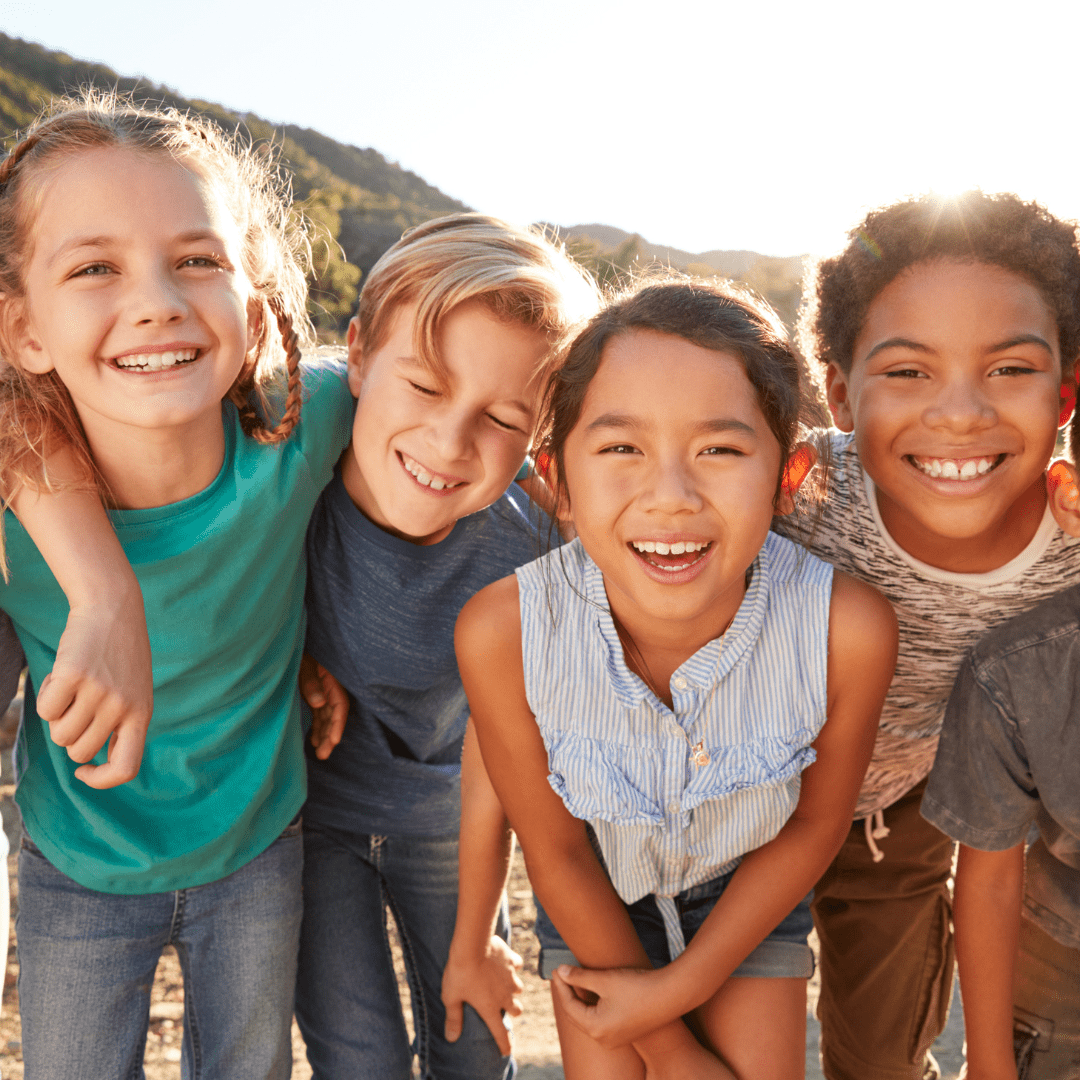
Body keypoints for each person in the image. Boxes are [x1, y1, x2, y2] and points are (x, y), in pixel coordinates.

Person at [455, 278, 898, 1079]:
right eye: (621, 448)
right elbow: (554, 849)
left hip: (750, 892)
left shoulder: (847, 628)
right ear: (557, 476)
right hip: (595, 890)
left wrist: (680, 990)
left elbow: (814, 827)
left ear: (788, 475)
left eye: (720, 450)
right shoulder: (503, 630)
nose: (671, 497)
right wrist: (668, 1050)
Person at [0, 94, 355, 1077]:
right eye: (94, 268)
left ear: (252, 297)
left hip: (257, 845)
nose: (158, 298)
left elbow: (441, 389)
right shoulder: (15, 492)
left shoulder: (305, 424)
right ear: (23, 329)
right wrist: (101, 587)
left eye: (197, 258)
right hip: (81, 859)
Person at [775, 190, 1080, 1080]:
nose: (959, 414)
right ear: (838, 392)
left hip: (896, 818)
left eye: (1010, 370)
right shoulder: (792, 493)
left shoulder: (1070, 542)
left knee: (875, 1058)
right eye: (908, 372)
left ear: (1067, 392)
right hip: (736, 799)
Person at [293, 214, 598, 1080]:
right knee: (361, 1061)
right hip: (313, 822)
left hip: (454, 825)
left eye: (502, 417)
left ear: (537, 439)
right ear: (358, 356)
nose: (449, 441)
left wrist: (480, 932)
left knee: (474, 1047)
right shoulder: (291, 481)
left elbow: (512, 756)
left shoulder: (535, 544)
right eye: (425, 386)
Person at [920, 410, 1080, 1080]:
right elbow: (986, 878)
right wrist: (988, 1063)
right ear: (1072, 499)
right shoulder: (1015, 670)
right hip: (1061, 953)